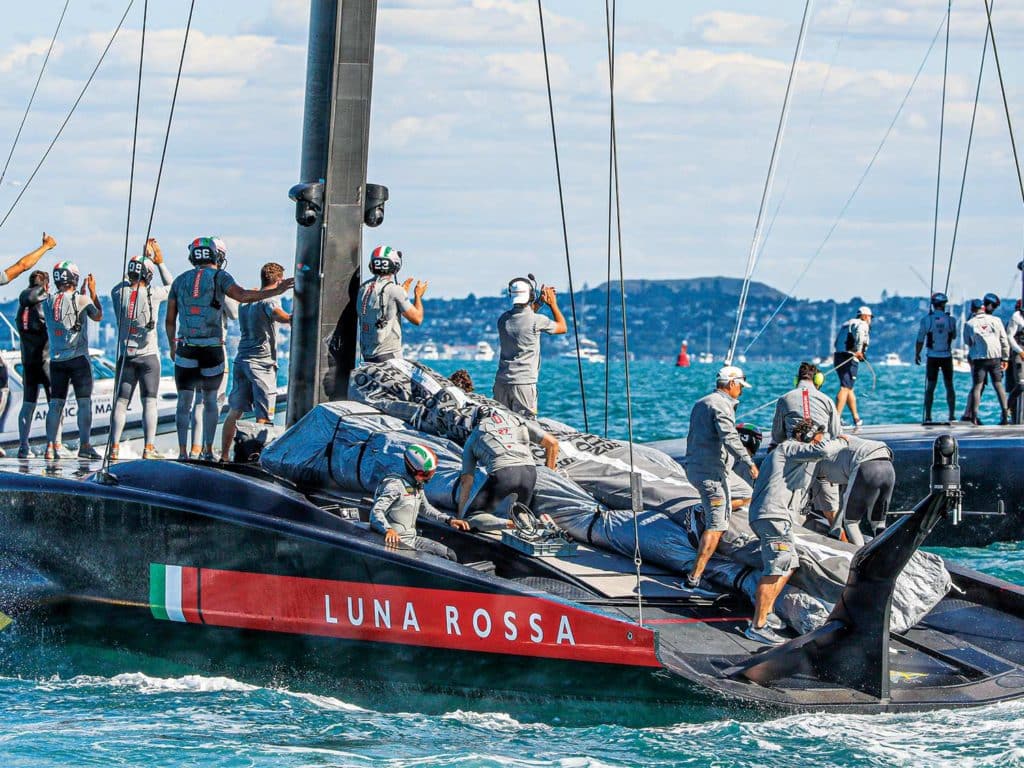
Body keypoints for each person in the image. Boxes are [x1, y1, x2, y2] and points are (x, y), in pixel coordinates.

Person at [165, 237, 294, 461]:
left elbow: (169, 320)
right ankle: (206, 451)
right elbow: (243, 296)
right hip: (212, 349)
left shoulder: (179, 281)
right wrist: (277, 291)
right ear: (218, 257)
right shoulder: (220, 277)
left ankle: (184, 453)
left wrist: (171, 345)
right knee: (210, 400)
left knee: (184, 403)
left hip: (185, 347)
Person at [745, 418, 847, 645]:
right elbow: (822, 450)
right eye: (816, 439)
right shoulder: (789, 447)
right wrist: (841, 440)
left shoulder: (787, 453)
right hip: (774, 516)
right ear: (807, 437)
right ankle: (757, 626)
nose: (816, 444)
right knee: (774, 568)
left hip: (774, 516)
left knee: (789, 564)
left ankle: (767, 611)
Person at [684, 365, 758, 589]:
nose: (741, 391)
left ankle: (708, 510)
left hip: (705, 468)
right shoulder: (720, 406)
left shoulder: (703, 402)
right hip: (710, 475)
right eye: (740, 387)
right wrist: (749, 462)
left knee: (747, 494)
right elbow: (730, 438)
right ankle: (693, 579)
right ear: (732, 384)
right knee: (718, 525)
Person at [108, 239, 173, 459]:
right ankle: (148, 447)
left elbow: (128, 282)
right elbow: (172, 287)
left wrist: (139, 260)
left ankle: (114, 447)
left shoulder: (117, 293)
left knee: (121, 403)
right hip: (148, 357)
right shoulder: (153, 294)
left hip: (126, 357)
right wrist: (159, 261)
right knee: (150, 402)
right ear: (149, 275)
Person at [220, 263, 291, 461]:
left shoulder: (246, 302)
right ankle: (257, 458)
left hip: (242, 359)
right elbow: (284, 318)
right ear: (279, 281)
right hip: (261, 364)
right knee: (264, 415)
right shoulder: (269, 302)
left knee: (235, 411)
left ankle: (224, 456)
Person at [457, 408, 559, 531]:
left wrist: (461, 517)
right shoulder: (515, 420)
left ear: (476, 422)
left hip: (503, 474)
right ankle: (541, 522)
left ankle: (512, 525)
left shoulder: (474, 436)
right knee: (519, 512)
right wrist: (550, 474)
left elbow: (466, 482)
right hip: (530, 473)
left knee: (472, 517)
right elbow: (552, 443)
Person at [42, 261, 103, 460]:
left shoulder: (48, 301)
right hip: (78, 360)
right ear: (74, 278)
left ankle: (50, 447)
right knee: (84, 403)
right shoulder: (83, 299)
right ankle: (84, 445)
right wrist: (92, 292)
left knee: (55, 405)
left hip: (56, 361)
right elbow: (98, 316)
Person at [369, 444, 470, 560]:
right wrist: (388, 530)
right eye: (426, 474)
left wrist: (448, 520)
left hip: (412, 540)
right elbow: (376, 511)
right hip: (396, 544)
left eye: (431, 473)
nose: (430, 478)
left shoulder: (417, 486)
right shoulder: (394, 485)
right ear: (414, 470)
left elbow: (425, 509)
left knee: (449, 555)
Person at [493, 276, 567, 417]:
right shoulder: (537, 321)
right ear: (531, 295)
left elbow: (525, 316)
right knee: (526, 426)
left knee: (503, 425)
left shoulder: (503, 320)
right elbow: (562, 327)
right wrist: (552, 304)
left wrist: (539, 302)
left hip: (501, 382)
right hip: (523, 384)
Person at [813, 434, 895, 546]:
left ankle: (859, 557)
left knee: (851, 522)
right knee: (878, 522)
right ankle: (885, 552)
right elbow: (844, 499)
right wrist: (835, 529)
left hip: (866, 467)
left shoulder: (821, 461)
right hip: (888, 466)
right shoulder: (840, 454)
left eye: (824, 478)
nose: (830, 483)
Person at [357, 245, 426, 363]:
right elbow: (417, 318)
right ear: (395, 266)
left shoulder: (363, 288)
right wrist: (418, 296)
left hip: (368, 357)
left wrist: (402, 292)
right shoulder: (395, 290)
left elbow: (384, 306)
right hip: (389, 357)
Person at [190, 294, 237, 458]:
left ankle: (195, 448)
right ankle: (207, 449)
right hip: (215, 349)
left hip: (194, 347)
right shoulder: (219, 288)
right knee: (216, 400)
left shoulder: (191, 287)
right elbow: (234, 313)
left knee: (198, 402)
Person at [15, 269, 52, 457]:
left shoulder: (22, 308)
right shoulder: (45, 305)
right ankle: (52, 446)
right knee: (55, 405)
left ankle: (23, 446)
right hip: (45, 362)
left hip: (28, 363)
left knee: (28, 405)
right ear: (45, 286)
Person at [963, 294, 1010, 426]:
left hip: (979, 358)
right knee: (998, 385)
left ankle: (974, 416)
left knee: (977, 386)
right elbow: (1004, 340)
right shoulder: (996, 320)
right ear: (984, 307)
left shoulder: (969, 323)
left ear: (973, 309)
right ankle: (1006, 415)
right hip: (995, 357)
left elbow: (968, 341)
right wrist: (1005, 358)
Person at [915, 292, 957, 424]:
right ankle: (951, 415)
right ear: (945, 305)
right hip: (946, 357)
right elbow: (954, 336)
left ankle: (928, 416)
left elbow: (920, 339)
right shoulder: (951, 320)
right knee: (949, 386)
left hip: (932, 357)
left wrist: (917, 353)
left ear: (933, 305)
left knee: (930, 387)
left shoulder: (927, 320)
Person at [833, 306, 872, 426]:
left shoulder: (847, 323)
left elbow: (836, 342)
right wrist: (859, 351)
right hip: (849, 357)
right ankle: (836, 419)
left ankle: (856, 418)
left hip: (838, 356)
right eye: (870, 317)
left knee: (849, 388)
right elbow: (860, 335)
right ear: (865, 316)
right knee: (845, 388)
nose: (870, 320)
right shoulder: (862, 323)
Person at [1007, 299, 1024, 424]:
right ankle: (1008, 408)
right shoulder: (1016, 317)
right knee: (1020, 384)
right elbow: (1009, 337)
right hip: (1017, 353)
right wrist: (1019, 351)